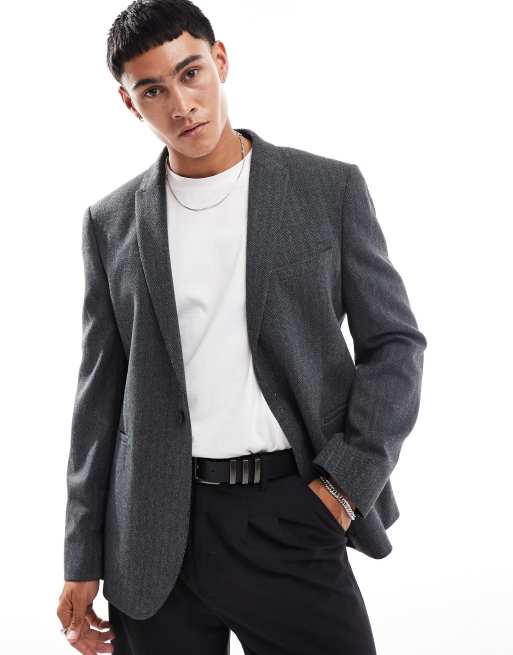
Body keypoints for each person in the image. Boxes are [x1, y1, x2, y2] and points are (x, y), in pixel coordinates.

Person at [56, 1, 427, 653]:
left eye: (190, 73)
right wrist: (81, 553)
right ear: (129, 102)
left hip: (290, 513)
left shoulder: (326, 189)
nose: (181, 104)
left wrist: (343, 484)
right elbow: (98, 398)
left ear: (219, 61)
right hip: (150, 533)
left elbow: (394, 345)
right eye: (153, 90)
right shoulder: (109, 224)